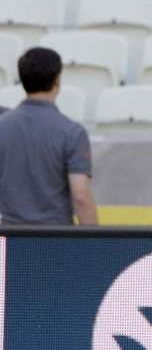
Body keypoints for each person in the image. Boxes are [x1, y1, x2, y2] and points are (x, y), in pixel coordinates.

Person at [0, 47, 98, 225]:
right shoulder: (72, 133)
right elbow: (81, 197)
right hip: (55, 240)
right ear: (57, 79)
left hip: (10, 239)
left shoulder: (3, 126)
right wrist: (97, 246)